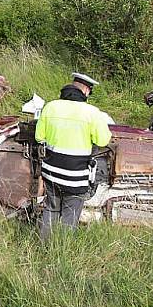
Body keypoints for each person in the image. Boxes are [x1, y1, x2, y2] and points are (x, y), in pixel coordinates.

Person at [35, 73, 113, 239]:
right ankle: (62, 250)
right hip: (75, 176)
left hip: (51, 172)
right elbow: (103, 139)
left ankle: (44, 246)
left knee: (51, 208)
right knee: (70, 214)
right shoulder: (92, 112)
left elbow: (39, 137)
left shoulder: (50, 107)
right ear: (85, 91)